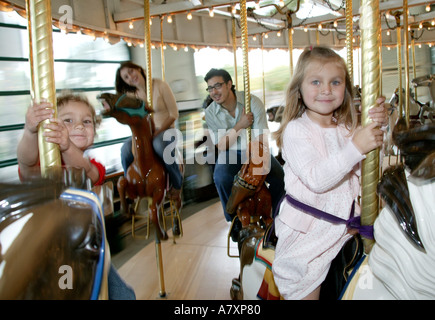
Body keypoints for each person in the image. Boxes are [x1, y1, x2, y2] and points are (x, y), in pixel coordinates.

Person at [272, 46, 387, 300]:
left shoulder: (346, 127)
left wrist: (381, 125)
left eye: (335, 82)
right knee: (305, 289)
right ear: (299, 90)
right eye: (316, 82)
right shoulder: (296, 131)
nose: (326, 89)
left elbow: (374, 165)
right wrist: (357, 145)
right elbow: (317, 179)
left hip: (349, 227)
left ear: (344, 89)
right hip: (310, 236)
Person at [16, 91, 136, 300]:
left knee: (124, 296)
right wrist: (30, 131)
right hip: (47, 252)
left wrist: (67, 146)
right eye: (68, 120)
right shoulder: (41, 164)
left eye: (86, 121)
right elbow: (25, 163)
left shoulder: (94, 165)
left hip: (86, 251)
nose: (79, 126)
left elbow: (85, 169)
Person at [203, 68, 285, 229]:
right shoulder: (210, 112)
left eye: (217, 86)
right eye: (210, 88)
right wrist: (240, 125)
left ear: (229, 84)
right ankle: (234, 222)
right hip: (230, 153)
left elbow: (261, 137)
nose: (214, 92)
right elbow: (221, 145)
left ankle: (277, 217)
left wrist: (254, 160)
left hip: (256, 149)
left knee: (280, 178)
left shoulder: (251, 102)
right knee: (220, 177)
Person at [115, 61, 183, 204]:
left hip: (166, 130)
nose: (130, 77)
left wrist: (158, 131)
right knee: (126, 150)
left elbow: (173, 114)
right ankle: (131, 183)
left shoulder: (160, 85)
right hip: (146, 134)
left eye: (131, 72)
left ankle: (177, 182)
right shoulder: (131, 95)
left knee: (159, 146)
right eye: (126, 77)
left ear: (138, 69)